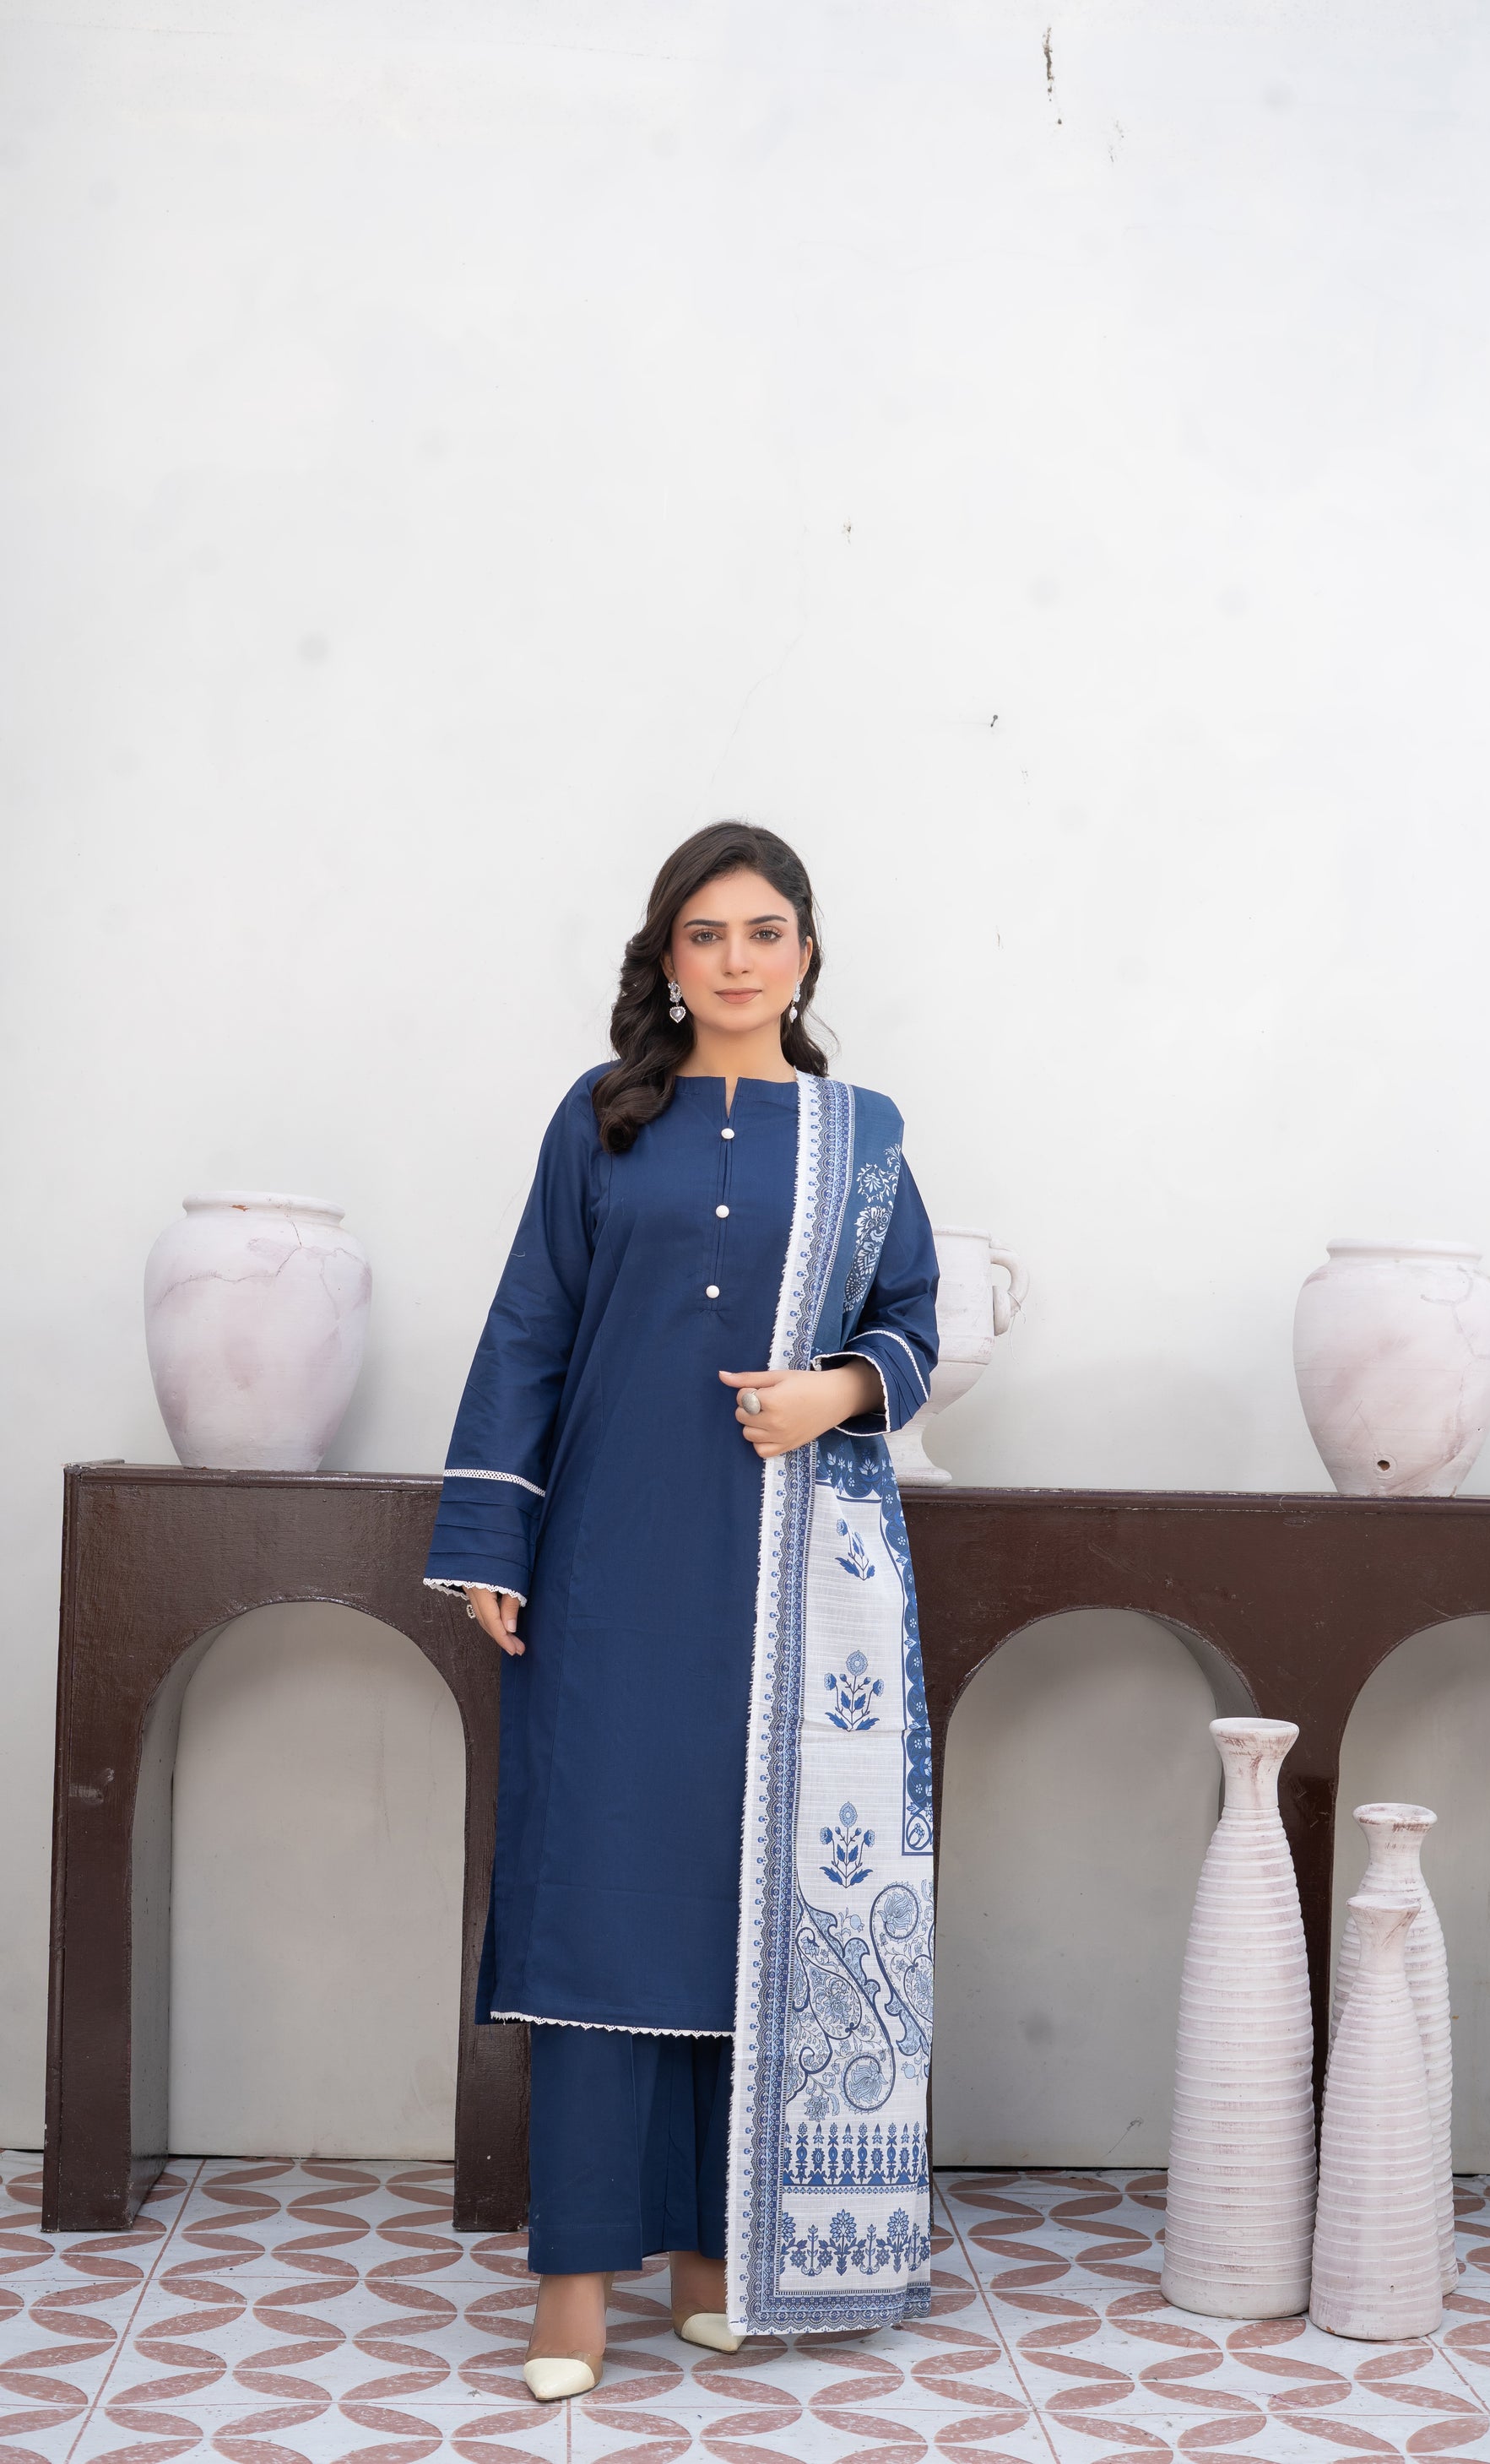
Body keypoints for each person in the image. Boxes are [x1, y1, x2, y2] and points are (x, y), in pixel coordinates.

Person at [424, 823, 941, 2399]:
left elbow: (913, 1320)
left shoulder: (858, 1137)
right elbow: (530, 1323)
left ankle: (723, 2254)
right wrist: (493, 1537)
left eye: (763, 931)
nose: (734, 959)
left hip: (791, 1581)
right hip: (607, 1562)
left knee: (748, 1899)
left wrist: (836, 1391)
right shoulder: (603, 1119)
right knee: (600, 1896)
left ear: (805, 954)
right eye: (704, 934)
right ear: (666, 960)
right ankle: (575, 2282)